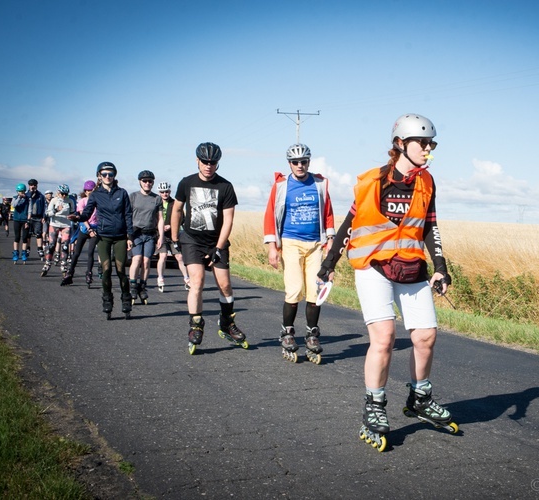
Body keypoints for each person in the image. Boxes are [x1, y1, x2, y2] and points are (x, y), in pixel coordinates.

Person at [317, 114, 456, 451]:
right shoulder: (372, 182)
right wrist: (328, 264)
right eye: (422, 143)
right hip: (373, 266)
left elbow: (429, 227)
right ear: (400, 145)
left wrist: (440, 266)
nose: (427, 149)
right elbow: (349, 223)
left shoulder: (427, 182)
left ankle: (420, 397)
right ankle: (374, 408)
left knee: (425, 336)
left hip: (410, 267)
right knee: (384, 337)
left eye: (430, 144)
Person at [170, 142, 246, 354]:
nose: (208, 166)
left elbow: (229, 220)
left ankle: (226, 323)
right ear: (197, 161)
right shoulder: (186, 183)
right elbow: (176, 210)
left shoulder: (225, 186)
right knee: (197, 281)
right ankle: (195, 325)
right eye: (205, 162)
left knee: (225, 285)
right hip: (192, 240)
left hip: (216, 241)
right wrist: (175, 239)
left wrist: (219, 247)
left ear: (217, 163)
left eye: (213, 162)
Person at [263, 143, 335, 363]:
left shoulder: (320, 184)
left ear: (309, 162)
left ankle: (312, 334)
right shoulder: (282, 185)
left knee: (315, 291)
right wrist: (272, 247)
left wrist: (330, 240)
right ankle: (287, 332)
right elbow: (270, 215)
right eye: (296, 162)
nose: (300, 165)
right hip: (291, 242)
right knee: (294, 290)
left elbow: (328, 212)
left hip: (315, 244)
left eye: (304, 161)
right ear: (289, 164)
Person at [69, 162, 134, 319]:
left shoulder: (122, 193)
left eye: (110, 174)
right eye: (104, 174)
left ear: (114, 176)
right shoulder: (96, 195)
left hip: (120, 237)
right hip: (103, 236)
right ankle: (107, 300)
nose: (107, 177)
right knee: (106, 270)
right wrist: (77, 217)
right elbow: (87, 213)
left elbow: (128, 215)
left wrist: (130, 236)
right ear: (99, 176)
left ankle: (126, 300)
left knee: (120, 271)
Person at [128, 170, 164, 304]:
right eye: (145, 181)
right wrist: (128, 236)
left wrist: (161, 236)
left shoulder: (157, 198)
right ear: (140, 182)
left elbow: (160, 218)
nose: (147, 183)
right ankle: (132, 285)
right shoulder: (133, 197)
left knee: (146, 261)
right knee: (136, 259)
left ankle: (142, 287)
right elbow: (127, 217)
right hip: (136, 233)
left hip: (149, 234)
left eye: (150, 181)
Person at [61, 180, 99, 286]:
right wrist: (89, 229)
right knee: (77, 252)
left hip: (95, 228)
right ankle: (70, 273)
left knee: (90, 252)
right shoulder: (83, 201)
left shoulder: (98, 200)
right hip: (84, 228)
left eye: (91, 190)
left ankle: (89, 273)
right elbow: (83, 217)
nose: (89, 192)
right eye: (87, 190)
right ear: (85, 191)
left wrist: (95, 229)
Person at [154, 181, 190, 292]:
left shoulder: (174, 203)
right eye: (162, 192)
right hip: (160, 235)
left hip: (173, 234)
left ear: (170, 191)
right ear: (159, 192)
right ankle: (160, 278)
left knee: (179, 257)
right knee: (163, 256)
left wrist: (171, 225)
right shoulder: (155, 203)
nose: (165, 194)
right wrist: (158, 227)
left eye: (167, 191)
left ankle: (187, 278)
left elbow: (182, 218)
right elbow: (150, 218)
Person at [42, 184, 75, 278]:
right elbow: (48, 213)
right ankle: (47, 263)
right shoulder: (54, 200)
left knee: (65, 245)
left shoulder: (70, 201)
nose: (64, 196)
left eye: (66, 194)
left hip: (66, 225)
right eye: (62, 194)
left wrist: (73, 217)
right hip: (54, 224)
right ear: (58, 193)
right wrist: (56, 209)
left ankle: (64, 264)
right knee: (52, 245)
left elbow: (73, 212)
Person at [25, 178, 46, 261]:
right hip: (29, 217)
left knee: (38, 234)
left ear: (37, 186)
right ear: (29, 186)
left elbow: (44, 207)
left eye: (34, 185)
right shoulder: (26, 195)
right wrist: (30, 193)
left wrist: (44, 216)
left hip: (38, 217)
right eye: (31, 185)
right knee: (28, 234)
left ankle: (40, 249)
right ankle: (27, 248)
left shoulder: (40, 196)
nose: (33, 186)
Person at [10, 183, 30, 263]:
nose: (21, 193)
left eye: (22, 191)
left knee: (24, 237)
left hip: (25, 220)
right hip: (16, 219)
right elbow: (13, 205)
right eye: (19, 191)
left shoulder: (28, 199)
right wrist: (18, 198)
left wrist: (28, 220)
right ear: (17, 191)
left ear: (25, 191)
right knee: (17, 237)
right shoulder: (15, 198)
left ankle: (24, 253)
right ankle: (15, 253)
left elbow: (30, 210)